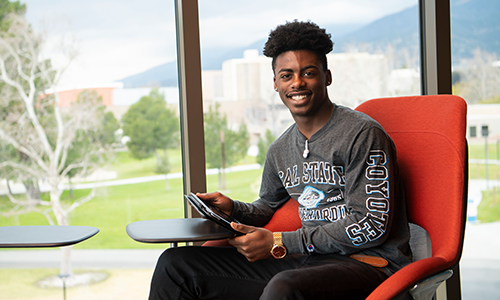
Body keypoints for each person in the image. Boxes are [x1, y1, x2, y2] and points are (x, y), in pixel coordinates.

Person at [149, 20, 412, 300]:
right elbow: (267, 205)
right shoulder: (281, 149)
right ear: (276, 84)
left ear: (327, 76)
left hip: (368, 265)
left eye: (308, 73)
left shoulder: (362, 134)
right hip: (308, 260)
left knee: (284, 287)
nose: (297, 83)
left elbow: (370, 225)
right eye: (286, 75)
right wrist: (233, 209)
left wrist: (280, 242)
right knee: (176, 265)